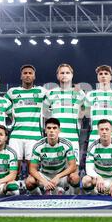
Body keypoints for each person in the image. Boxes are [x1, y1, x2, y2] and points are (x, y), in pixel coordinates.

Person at [43, 63, 84, 193]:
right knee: (55, 167)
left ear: (72, 75)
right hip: (56, 138)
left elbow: (84, 112)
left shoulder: (80, 93)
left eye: (67, 72)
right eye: (62, 72)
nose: (64, 75)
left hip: (72, 137)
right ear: (57, 75)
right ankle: (55, 191)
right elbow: (45, 114)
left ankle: (72, 198)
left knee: (73, 173)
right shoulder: (51, 93)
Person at [4, 64, 46, 177]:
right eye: (25, 73)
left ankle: (34, 193)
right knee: (13, 170)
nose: (27, 75)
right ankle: (12, 192)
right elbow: (2, 106)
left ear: (34, 76)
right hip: (16, 135)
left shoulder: (42, 91)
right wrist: (13, 118)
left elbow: (52, 103)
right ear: (21, 76)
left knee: (33, 171)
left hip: (34, 136)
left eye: (30, 73)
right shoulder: (12, 92)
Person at [25, 118, 80, 195]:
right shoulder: (38, 146)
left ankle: (71, 196)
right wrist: (44, 181)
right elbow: (32, 169)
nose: (51, 130)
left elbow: (73, 166)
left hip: (61, 176)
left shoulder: (67, 144)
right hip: (45, 176)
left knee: (75, 178)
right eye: (49, 128)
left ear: (59, 130)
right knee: (29, 182)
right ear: (45, 130)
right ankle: (38, 196)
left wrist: (58, 176)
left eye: (54, 128)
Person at [82, 119, 112, 197]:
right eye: (101, 129)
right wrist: (98, 177)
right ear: (98, 131)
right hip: (99, 179)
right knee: (85, 180)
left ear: (111, 131)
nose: (104, 132)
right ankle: (93, 195)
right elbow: (88, 168)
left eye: (107, 129)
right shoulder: (92, 146)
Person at [84, 65, 112, 146]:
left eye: (106, 73)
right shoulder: (90, 95)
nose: (103, 75)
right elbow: (86, 114)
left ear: (110, 77)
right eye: (100, 74)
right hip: (95, 135)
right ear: (97, 77)